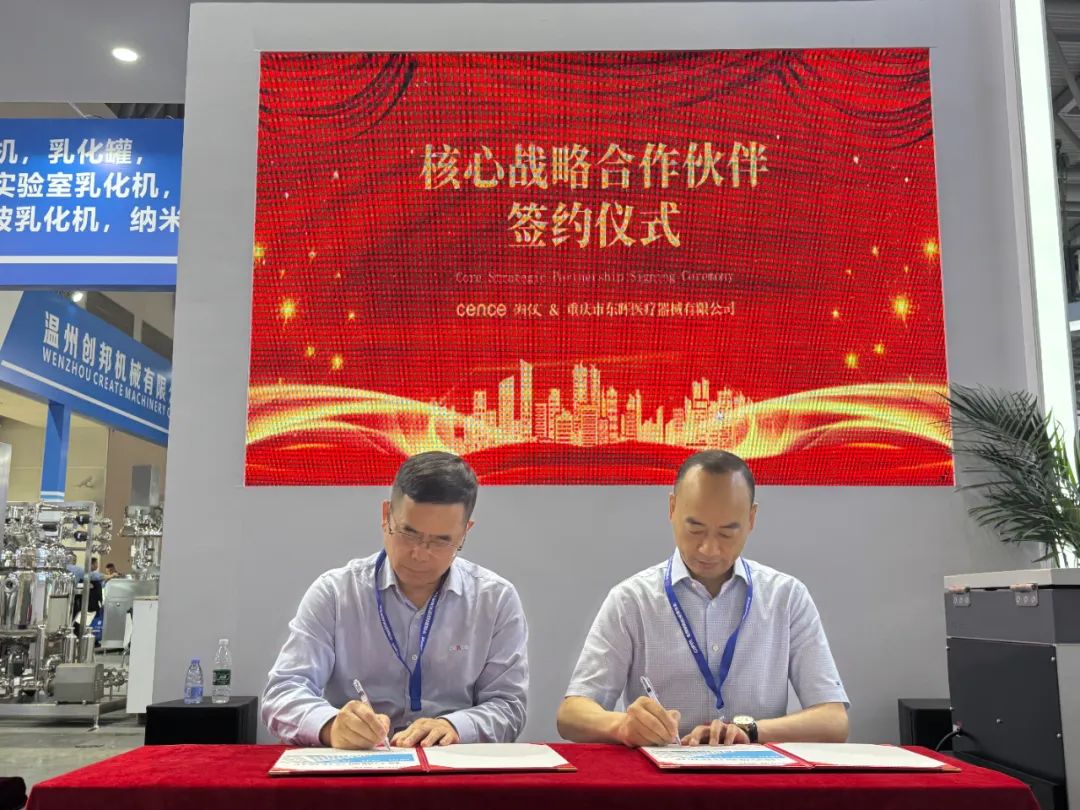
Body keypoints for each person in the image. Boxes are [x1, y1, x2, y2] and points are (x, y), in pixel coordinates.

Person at [557, 450, 849, 748]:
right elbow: (571, 715)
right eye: (695, 529)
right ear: (672, 508)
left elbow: (833, 719)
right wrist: (621, 726)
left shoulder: (786, 597)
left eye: (726, 533)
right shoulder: (632, 600)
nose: (708, 549)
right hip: (662, 772)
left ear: (751, 519)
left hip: (756, 772)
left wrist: (750, 731)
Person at [262, 451, 529, 749]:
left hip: (451, 764)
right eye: (408, 533)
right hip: (358, 763)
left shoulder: (494, 600)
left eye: (441, 540)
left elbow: (509, 707)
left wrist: (455, 726)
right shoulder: (336, 594)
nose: (420, 553)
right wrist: (331, 725)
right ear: (385, 515)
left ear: (465, 532)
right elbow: (282, 693)